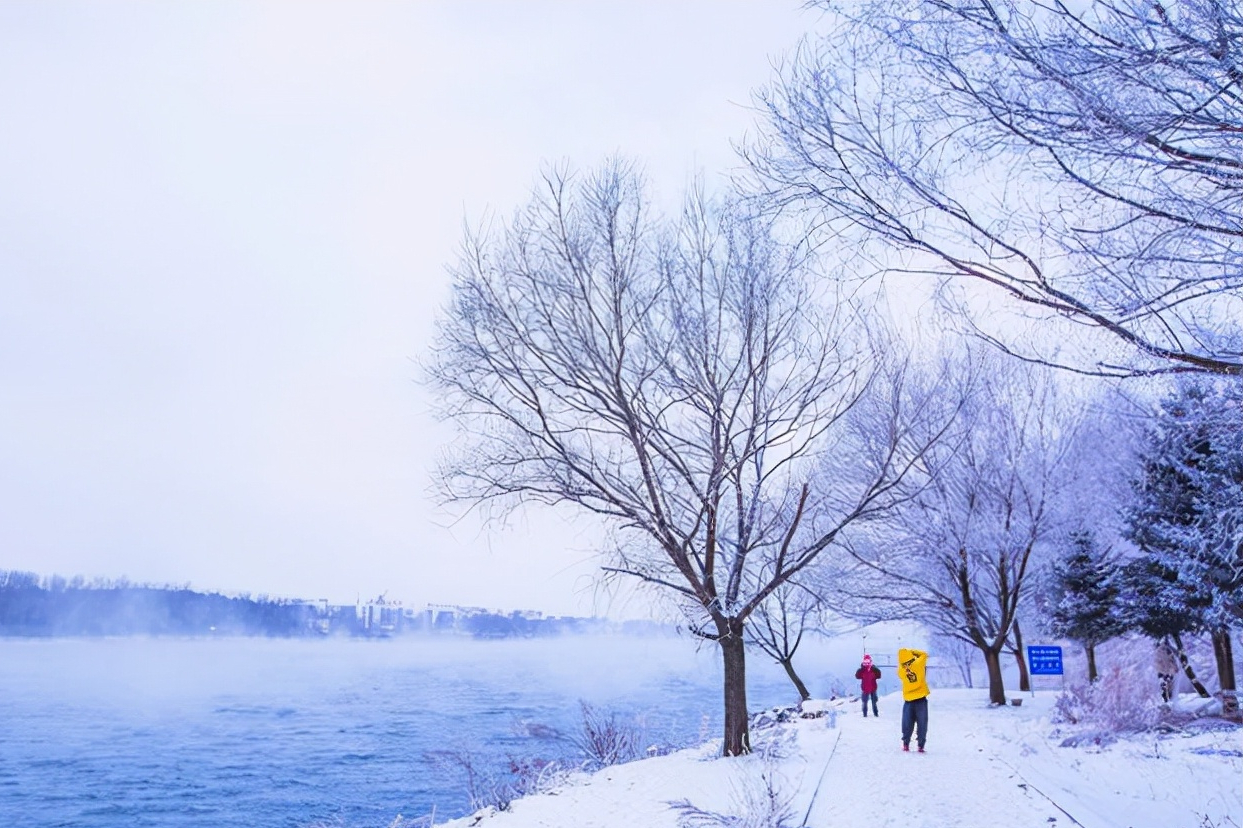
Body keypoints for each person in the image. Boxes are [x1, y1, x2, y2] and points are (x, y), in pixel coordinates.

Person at [898, 647, 929, 753]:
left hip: (908, 701)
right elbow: (924, 654)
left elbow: (900, 673)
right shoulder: (919, 664)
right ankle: (921, 746)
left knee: (907, 723)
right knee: (922, 723)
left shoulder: (901, 671)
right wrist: (912, 652)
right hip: (921, 699)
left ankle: (905, 744)